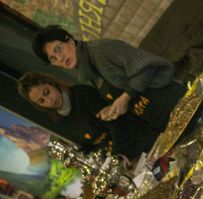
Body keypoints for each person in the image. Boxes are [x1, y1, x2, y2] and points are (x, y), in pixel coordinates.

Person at [31, 25, 185, 130]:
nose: (60, 58)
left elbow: (149, 68)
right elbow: (123, 91)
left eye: (59, 49)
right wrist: (112, 108)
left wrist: (125, 97)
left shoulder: (101, 49)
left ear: (69, 39)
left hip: (177, 103)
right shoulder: (87, 72)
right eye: (53, 58)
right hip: (162, 121)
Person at [17, 72, 158, 159]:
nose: (50, 100)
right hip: (123, 162)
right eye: (41, 101)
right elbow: (87, 147)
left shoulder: (82, 93)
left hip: (140, 144)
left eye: (46, 92)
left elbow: (116, 124)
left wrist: (118, 157)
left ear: (51, 83)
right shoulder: (59, 122)